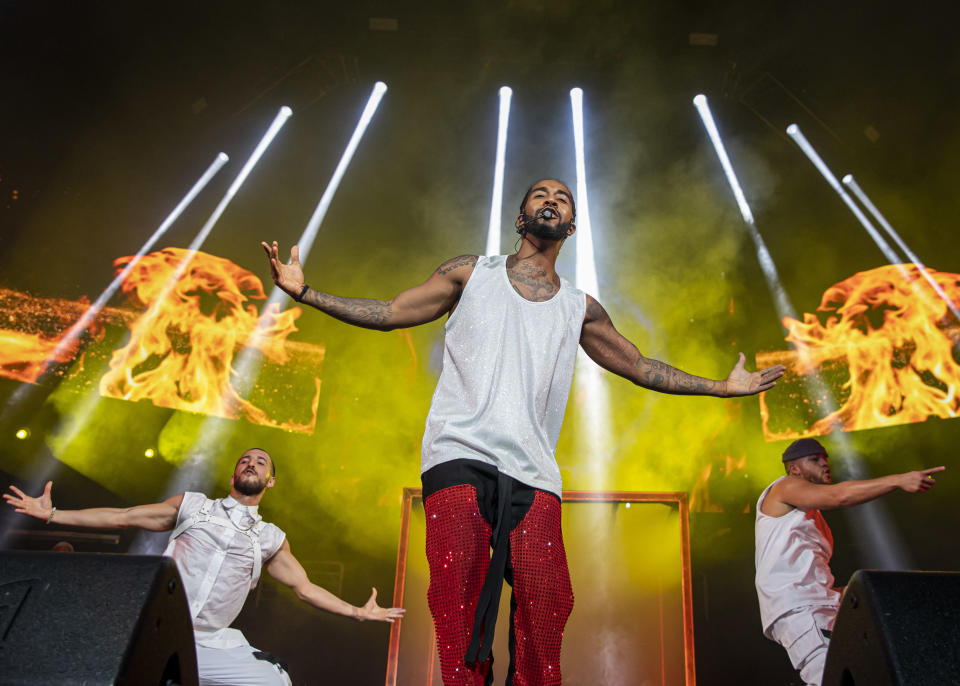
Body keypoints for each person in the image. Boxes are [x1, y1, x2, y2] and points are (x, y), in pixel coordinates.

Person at [262, 178, 786, 685]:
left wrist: (722, 388)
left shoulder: (579, 307)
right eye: (541, 194)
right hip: (457, 451)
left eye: (562, 197)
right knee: (456, 590)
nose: (552, 200)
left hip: (533, 469)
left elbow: (640, 366)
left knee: (548, 598)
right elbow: (392, 312)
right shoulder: (471, 273)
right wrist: (305, 292)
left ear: (573, 226)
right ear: (522, 217)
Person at [4, 448, 404, 686]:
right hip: (158, 626)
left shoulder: (270, 538)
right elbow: (123, 516)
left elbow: (305, 587)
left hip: (211, 644)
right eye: (245, 459)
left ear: (270, 481)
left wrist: (356, 611)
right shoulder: (193, 506)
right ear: (233, 473)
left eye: (260, 462)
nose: (251, 463)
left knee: (272, 681)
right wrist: (54, 515)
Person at [754, 437, 945, 686]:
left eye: (826, 458)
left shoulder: (810, 519)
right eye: (815, 459)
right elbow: (839, 496)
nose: (825, 463)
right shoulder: (784, 487)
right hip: (802, 610)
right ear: (795, 469)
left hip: (812, 608)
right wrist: (899, 479)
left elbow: (808, 577)